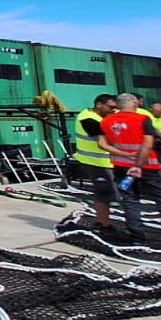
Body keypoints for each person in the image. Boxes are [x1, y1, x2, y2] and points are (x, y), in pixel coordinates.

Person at [101, 93, 161, 248]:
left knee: (130, 201)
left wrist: (124, 155)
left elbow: (102, 144)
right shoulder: (142, 119)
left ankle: (137, 237)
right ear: (134, 103)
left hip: (121, 167)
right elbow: (147, 144)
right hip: (146, 167)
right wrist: (137, 165)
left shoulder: (107, 121)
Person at [71, 93, 119, 233]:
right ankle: (103, 224)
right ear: (99, 104)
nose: (113, 110)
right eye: (110, 107)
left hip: (104, 162)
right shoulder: (87, 119)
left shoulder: (101, 117)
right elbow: (105, 138)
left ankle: (103, 222)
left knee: (107, 194)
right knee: (103, 193)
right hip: (94, 162)